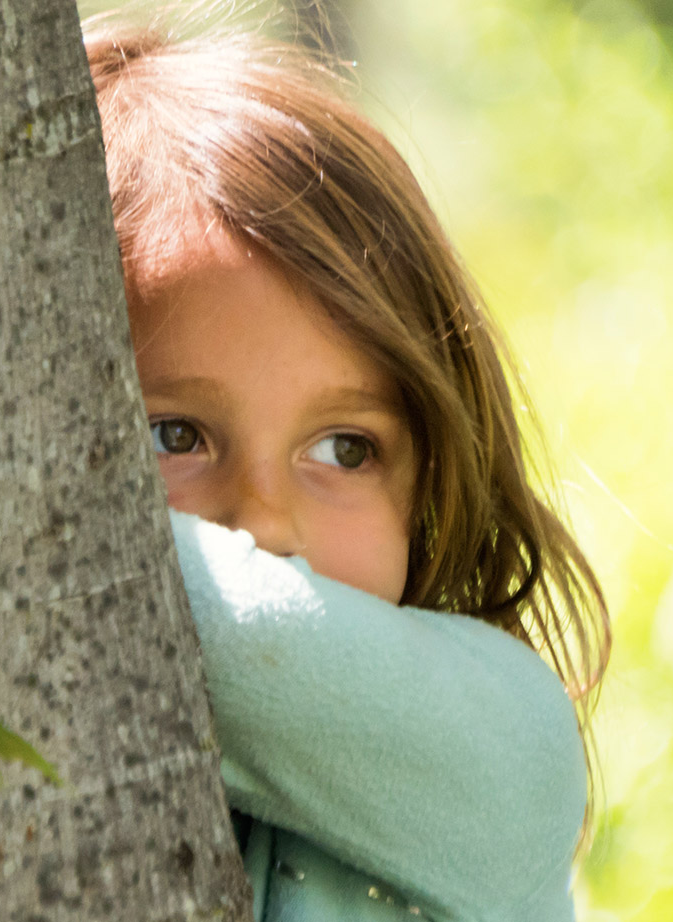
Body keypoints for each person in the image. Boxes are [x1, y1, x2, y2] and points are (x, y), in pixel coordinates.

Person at [85, 19, 610, 922]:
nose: (265, 523)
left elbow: (231, 632)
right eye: (175, 435)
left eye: (343, 449)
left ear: (431, 482)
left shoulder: (508, 742)